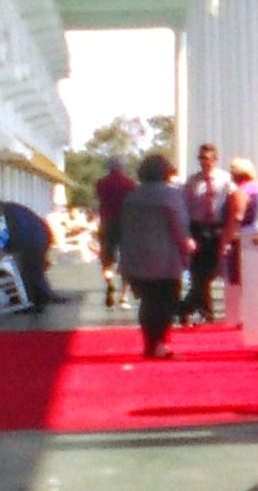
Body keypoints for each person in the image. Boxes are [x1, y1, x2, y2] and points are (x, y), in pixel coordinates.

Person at [116, 154, 194, 359]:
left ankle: (150, 344)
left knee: (148, 301)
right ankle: (160, 344)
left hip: (136, 256)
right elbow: (178, 226)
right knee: (165, 301)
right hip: (164, 257)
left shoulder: (132, 196)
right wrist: (186, 248)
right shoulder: (170, 196)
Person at [181, 143, 230, 323]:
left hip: (217, 228)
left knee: (209, 272)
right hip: (197, 229)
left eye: (208, 159)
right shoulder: (192, 182)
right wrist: (186, 234)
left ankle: (184, 307)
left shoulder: (225, 180)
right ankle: (205, 312)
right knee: (198, 273)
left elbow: (231, 203)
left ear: (215, 160)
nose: (204, 162)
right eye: (201, 158)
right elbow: (184, 208)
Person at [0, 196, 56, 311]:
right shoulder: (10, 211)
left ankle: (37, 302)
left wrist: (4, 250)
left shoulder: (11, 212)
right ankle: (42, 296)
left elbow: (18, 234)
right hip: (39, 237)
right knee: (34, 270)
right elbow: (8, 233)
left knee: (30, 271)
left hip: (35, 240)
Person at [93, 156, 136, 307]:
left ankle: (109, 281)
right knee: (127, 260)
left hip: (107, 223)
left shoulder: (101, 183)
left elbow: (98, 199)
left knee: (106, 259)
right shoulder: (129, 184)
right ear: (122, 167)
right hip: (125, 224)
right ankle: (124, 296)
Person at [219, 156, 258, 287]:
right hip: (251, 233)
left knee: (238, 278)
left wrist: (225, 241)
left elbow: (237, 216)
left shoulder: (241, 192)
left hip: (240, 238)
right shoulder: (255, 188)